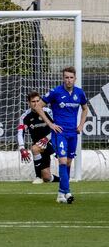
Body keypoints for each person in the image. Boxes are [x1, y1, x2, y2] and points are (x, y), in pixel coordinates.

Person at [36, 66, 88, 204]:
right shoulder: (55, 92)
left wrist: (81, 125)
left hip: (73, 133)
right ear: (63, 78)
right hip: (60, 133)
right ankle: (68, 191)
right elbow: (38, 106)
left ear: (75, 79)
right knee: (63, 161)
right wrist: (51, 124)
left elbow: (85, 108)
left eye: (71, 77)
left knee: (69, 162)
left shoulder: (79, 93)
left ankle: (60, 193)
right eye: (66, 77)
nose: (69, 80)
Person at [17, 91, 60, 184]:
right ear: (28, 103)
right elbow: (20, 133)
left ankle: (37, 177)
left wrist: (46, 138)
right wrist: (21, 148)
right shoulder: (25, 117)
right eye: (33, 101)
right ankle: (61, 180)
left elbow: (56, 127)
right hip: (40, 145)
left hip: (51, 140)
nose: (36, 103)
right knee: (47, 178)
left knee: (35, 148)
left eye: (38, 101)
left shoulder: (48, 112)